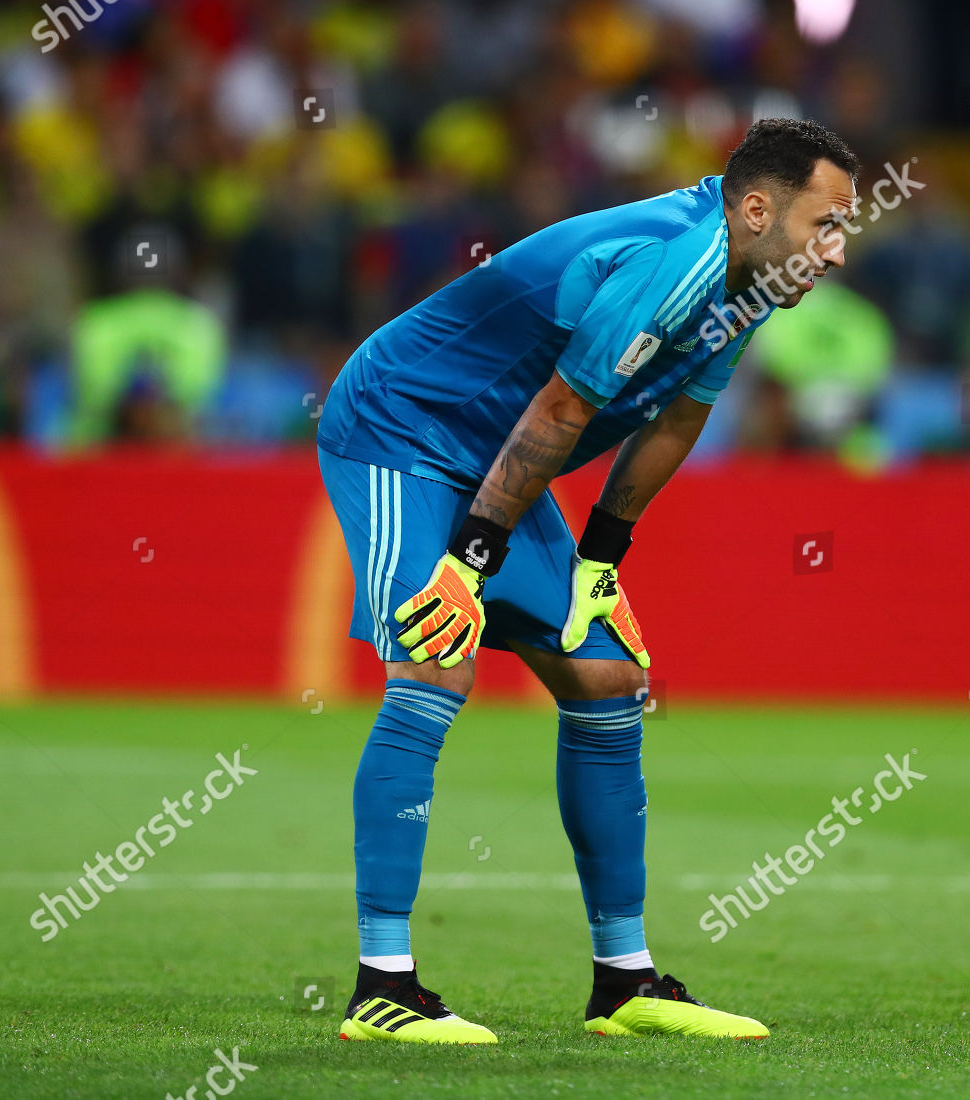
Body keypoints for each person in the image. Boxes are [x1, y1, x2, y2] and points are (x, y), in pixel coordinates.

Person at [316, 118, 860, 1043]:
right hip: (403, 427)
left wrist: (601, 562)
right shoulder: (675, 260)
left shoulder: (757, 279)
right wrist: (473, 560)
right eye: (828, 224)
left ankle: (624, 982)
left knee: (608, 677)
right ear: (758, 210)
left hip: (497, 455)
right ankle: (383, 985)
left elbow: (676, 421)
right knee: (435, 663)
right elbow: (566, 407)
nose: (839, 251)